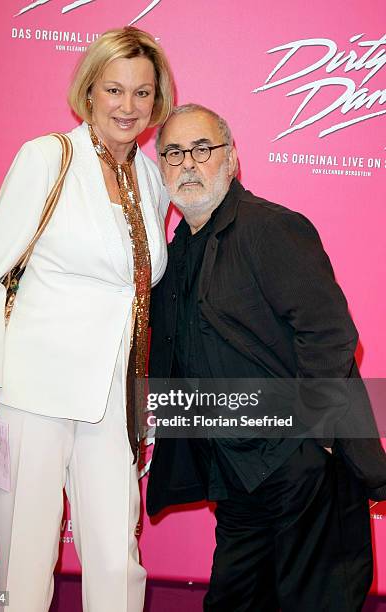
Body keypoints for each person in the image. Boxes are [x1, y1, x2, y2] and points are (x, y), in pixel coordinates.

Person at [0, 27, 174, 612]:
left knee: (116, 559)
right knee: (23, 559)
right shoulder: (49, 156)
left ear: (157, 100)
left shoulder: (149, 178)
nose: (128, 107)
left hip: (113, 397)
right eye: (114, 90)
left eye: (142, 93)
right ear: (90, 91)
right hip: (33, 391)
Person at [146, 104, 386, 611]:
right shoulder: (176, 253)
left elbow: (331, 333)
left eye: (202, 149)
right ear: (160, 168)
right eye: (172, 153)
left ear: (231, 160)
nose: (187, 163)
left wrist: (311, 440)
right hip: (237, 478)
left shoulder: (270, 228)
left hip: (299, 469)